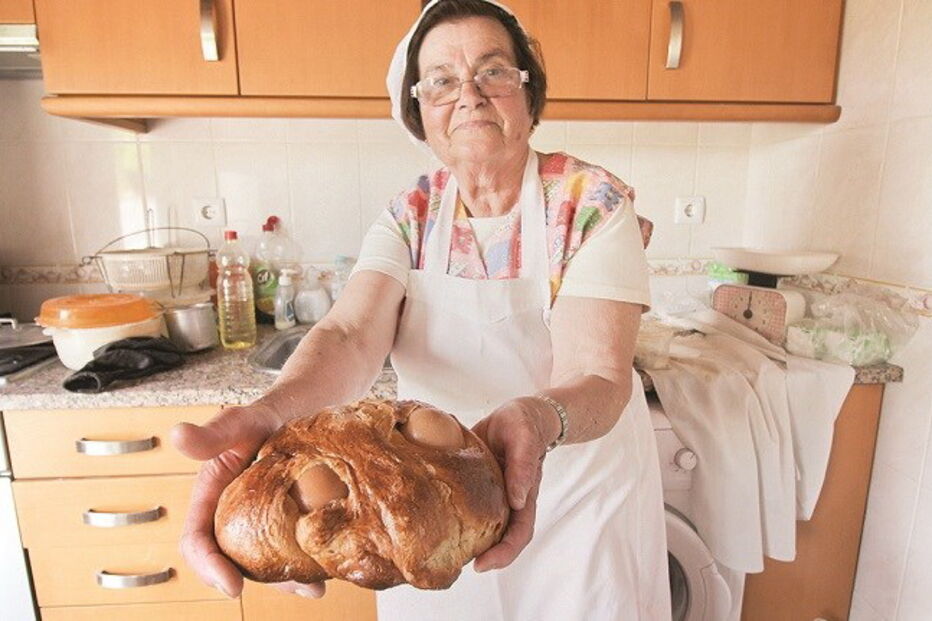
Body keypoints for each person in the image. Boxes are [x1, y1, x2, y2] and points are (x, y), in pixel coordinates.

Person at [172, 0, 671, 618]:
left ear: (526, 93)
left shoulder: (589, 202)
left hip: (583, 504)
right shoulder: (411, 212)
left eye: (493, 72)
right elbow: (352, 333)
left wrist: (536, 422)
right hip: (427, 510)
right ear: (419, 111)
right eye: (441, 81)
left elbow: (597, 373)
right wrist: (273, 412)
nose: (469, 96)